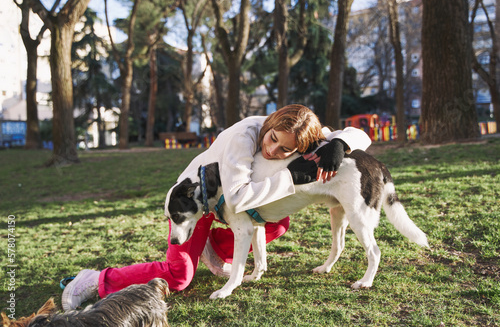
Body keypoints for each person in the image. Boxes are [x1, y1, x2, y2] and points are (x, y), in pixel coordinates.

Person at [61, 104, 371, 311]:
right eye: (273, 138)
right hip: (191, 204)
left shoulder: (296, 135)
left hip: (225, 203)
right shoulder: (243, 136)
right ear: (271, 122)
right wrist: (290, 176)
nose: (272, 149)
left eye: (285, 150)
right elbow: (238, 198)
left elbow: (361, 135)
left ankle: (216, 248)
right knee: (179, 277)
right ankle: (94, 280)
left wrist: (340, 143)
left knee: (278, 222)